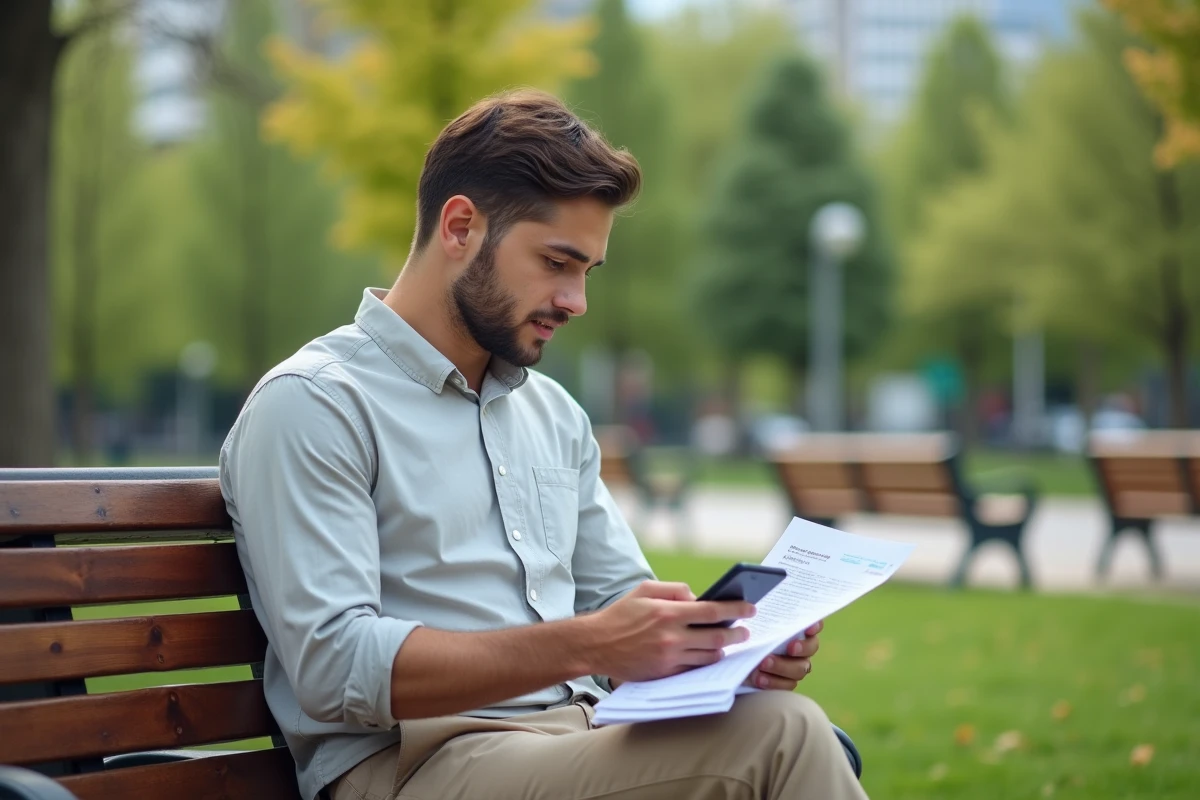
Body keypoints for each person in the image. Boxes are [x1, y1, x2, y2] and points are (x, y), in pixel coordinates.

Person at [219, 89, 866, 800]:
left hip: (580, 735)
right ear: (461, 227)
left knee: (778, 718)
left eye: (586, 272)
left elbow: (618, 601)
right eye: (556, 263)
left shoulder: (552, 414)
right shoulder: (315, 404)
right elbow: (334, 666)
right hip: (415, 766)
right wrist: (589, 643)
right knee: (788, 738)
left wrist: (721, 649)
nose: (576, 302)